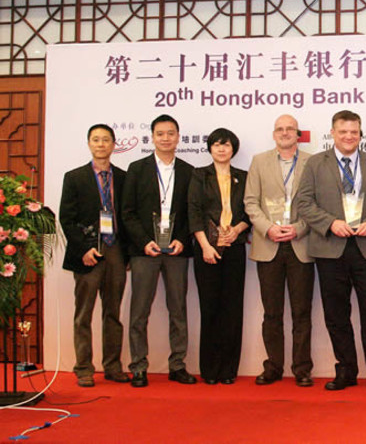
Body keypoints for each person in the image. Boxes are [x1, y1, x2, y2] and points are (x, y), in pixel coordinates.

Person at [295, 110, 366, 392]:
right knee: (336, 315)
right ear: (333, 133)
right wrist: (330, 223)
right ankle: (346, 371)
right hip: (330, 249)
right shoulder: (316, 163)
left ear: (360, 133)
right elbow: (303, 202)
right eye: (343, 132)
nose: (349, 137)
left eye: (354, 132)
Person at [121, 114, 196, 388]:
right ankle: (138, 367)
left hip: (176, 251)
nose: (166, 138)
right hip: (145, 251)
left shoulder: (190, 171)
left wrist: (181, 239)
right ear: (152, 137)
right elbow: (127, 212)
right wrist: (143, 241)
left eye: (171, 133)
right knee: (139, 311)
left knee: (179, 309)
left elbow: (191, 213)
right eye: (160, 133)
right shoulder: (137, 169)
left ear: (178, 137)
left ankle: (177, 365)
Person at [244, 114, 316, 387]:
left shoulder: (313, 161)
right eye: (280, 129)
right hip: (268, 245)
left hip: (301, 244)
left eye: (290, 129)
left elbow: (319, 203)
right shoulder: (259, 161)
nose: (285, 133)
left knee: (302, 312)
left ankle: (302, 368)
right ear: (274, 134)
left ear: (298, 134)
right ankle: (273, 366)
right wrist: (267, 228)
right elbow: (251, 202)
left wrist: (299, 227)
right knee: (271, 313)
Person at [59, 124, 130, 387]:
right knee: (84, 313)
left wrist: (128, 255)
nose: (101, 144)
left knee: (113, 312)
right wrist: (83, 249)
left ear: (113, 144)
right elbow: (67, 218)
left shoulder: (123, 178)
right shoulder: (74, 177)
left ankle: (112, 366)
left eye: (106, 140)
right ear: (89, 144)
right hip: (88, 251)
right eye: (96, 140)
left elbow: (127, 216)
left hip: (115, 251)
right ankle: (84, 367)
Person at [188, 128, 250, 385]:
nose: (221, 149)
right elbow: (194, 211)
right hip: (207, 249)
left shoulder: (244, 177)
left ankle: (228, 370)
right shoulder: (199, 175)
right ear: (210, 148)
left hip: (234, 248)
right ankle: (210, 369)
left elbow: (250, 211)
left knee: (232, 309)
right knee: (210, 307)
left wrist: (237, 230)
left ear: (233, 149)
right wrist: (205, 245)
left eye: (226, 145)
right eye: (216, 144)